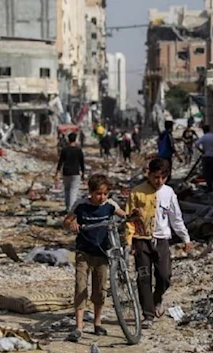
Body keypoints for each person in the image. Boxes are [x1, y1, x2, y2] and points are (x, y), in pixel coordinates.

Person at [63, 174, 134, 342]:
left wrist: (132, 216)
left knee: (100, 289)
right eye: (98, 194)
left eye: (104, 194)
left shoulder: (109, 205)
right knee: (81, 286)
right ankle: (79, 327)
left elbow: (124, 216)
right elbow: (66, 220)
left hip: (103, 253)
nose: (101, 197)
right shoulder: (81, 205)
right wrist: (71, 224)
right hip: (83, 252)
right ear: (90, 192)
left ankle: (97, 322)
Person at [124, 158, 193, 329]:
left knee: (164, 275)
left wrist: (185, 238)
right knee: (144, 277)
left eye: (163, 178)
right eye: (156, 177)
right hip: (141, 241)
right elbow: (129, 219)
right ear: (149, 174)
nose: (159, 181)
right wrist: (129, 241)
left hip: (161, 240)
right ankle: (148, 314)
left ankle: (158, 298)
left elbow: (175, 217)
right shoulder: (137, 192)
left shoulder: (169, 193)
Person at [55, 133, 85, 212]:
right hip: (75, 172)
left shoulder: (64, 149)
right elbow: (82, 163)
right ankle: (71, 210)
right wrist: (83, 173)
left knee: (67, 190)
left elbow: (60, 162)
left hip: (66, 172)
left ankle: (67, 207)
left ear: (68, 139)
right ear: (75, 139)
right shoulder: (78, 150)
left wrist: (57, 172)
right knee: (73, 191)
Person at [194, 125, 213, 191]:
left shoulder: (204, 137)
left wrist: (201, 150)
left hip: (207, 156)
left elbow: (196, 144)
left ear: (203, 130)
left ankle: (209, 186)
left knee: (207, 172)